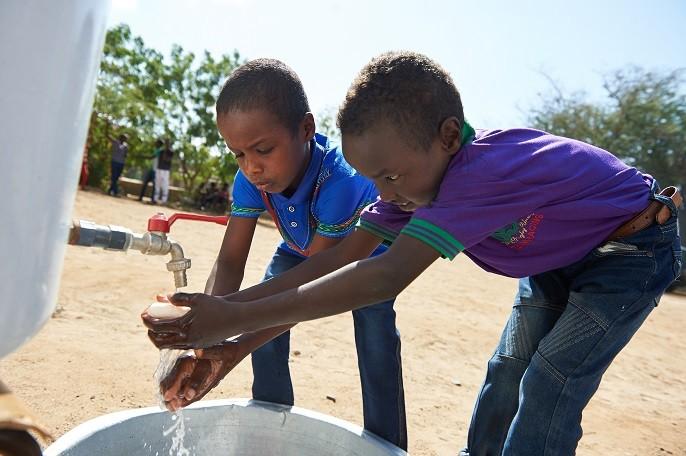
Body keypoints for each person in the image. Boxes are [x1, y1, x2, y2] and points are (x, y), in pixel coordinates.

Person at [143, 52, 682, 455]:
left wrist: (232, 315)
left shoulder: (480, 175)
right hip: (555, 261)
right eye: (375, 179)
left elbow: (383, 278)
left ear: (448, 138)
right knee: (508, 368)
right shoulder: (412, 184)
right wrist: (233, 341)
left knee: (549, 379)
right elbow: (335, 261)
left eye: (390, 176)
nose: (383, 193)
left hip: (630, 250)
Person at [148, 58, 407, 449]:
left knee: (375, 340)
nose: (251, 167)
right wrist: (202, 327)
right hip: (298, 249)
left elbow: (314, 282)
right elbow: (231, 260)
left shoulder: (341, 181)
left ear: (306, 128)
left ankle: (388, 442)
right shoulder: (252, 179)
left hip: (361, 258)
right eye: (237, 154)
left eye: (263, 149)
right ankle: (269, 422)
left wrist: (234, 336)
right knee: (265, 317)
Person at [154, 139, 173, 204]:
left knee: (165, 185)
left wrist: (165, 151)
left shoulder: (170, 152)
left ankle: (164, 200)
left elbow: (166, 159)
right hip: (159, 169)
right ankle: (155, 199)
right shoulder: (161, 151)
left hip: (165, 171)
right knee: (157, 184)